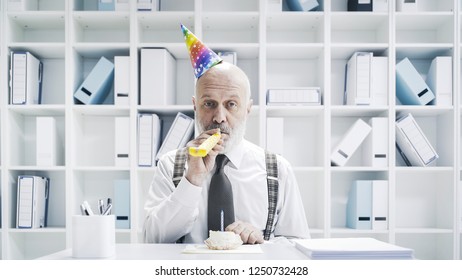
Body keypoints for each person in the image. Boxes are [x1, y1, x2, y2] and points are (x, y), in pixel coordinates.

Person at [143, 25, 309, 244]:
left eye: (231, 104)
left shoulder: (278, 170)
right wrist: (191, 180)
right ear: (195, 106)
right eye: (209, 104)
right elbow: (151, 240)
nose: (219, 117)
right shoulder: (169, 164)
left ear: (248, 109)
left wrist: (262, 243)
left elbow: (299, 245)